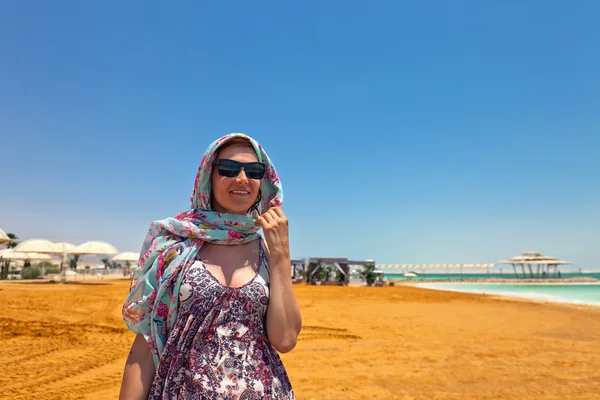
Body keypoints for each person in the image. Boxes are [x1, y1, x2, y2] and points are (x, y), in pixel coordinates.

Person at [119, 133, 301, 399]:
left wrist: (281, 255)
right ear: (208, 176)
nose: (242, 178)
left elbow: (285, 340)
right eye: (228, 168)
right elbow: (145, 348)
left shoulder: (267, 252)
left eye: (254, 171)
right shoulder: (175, 248)